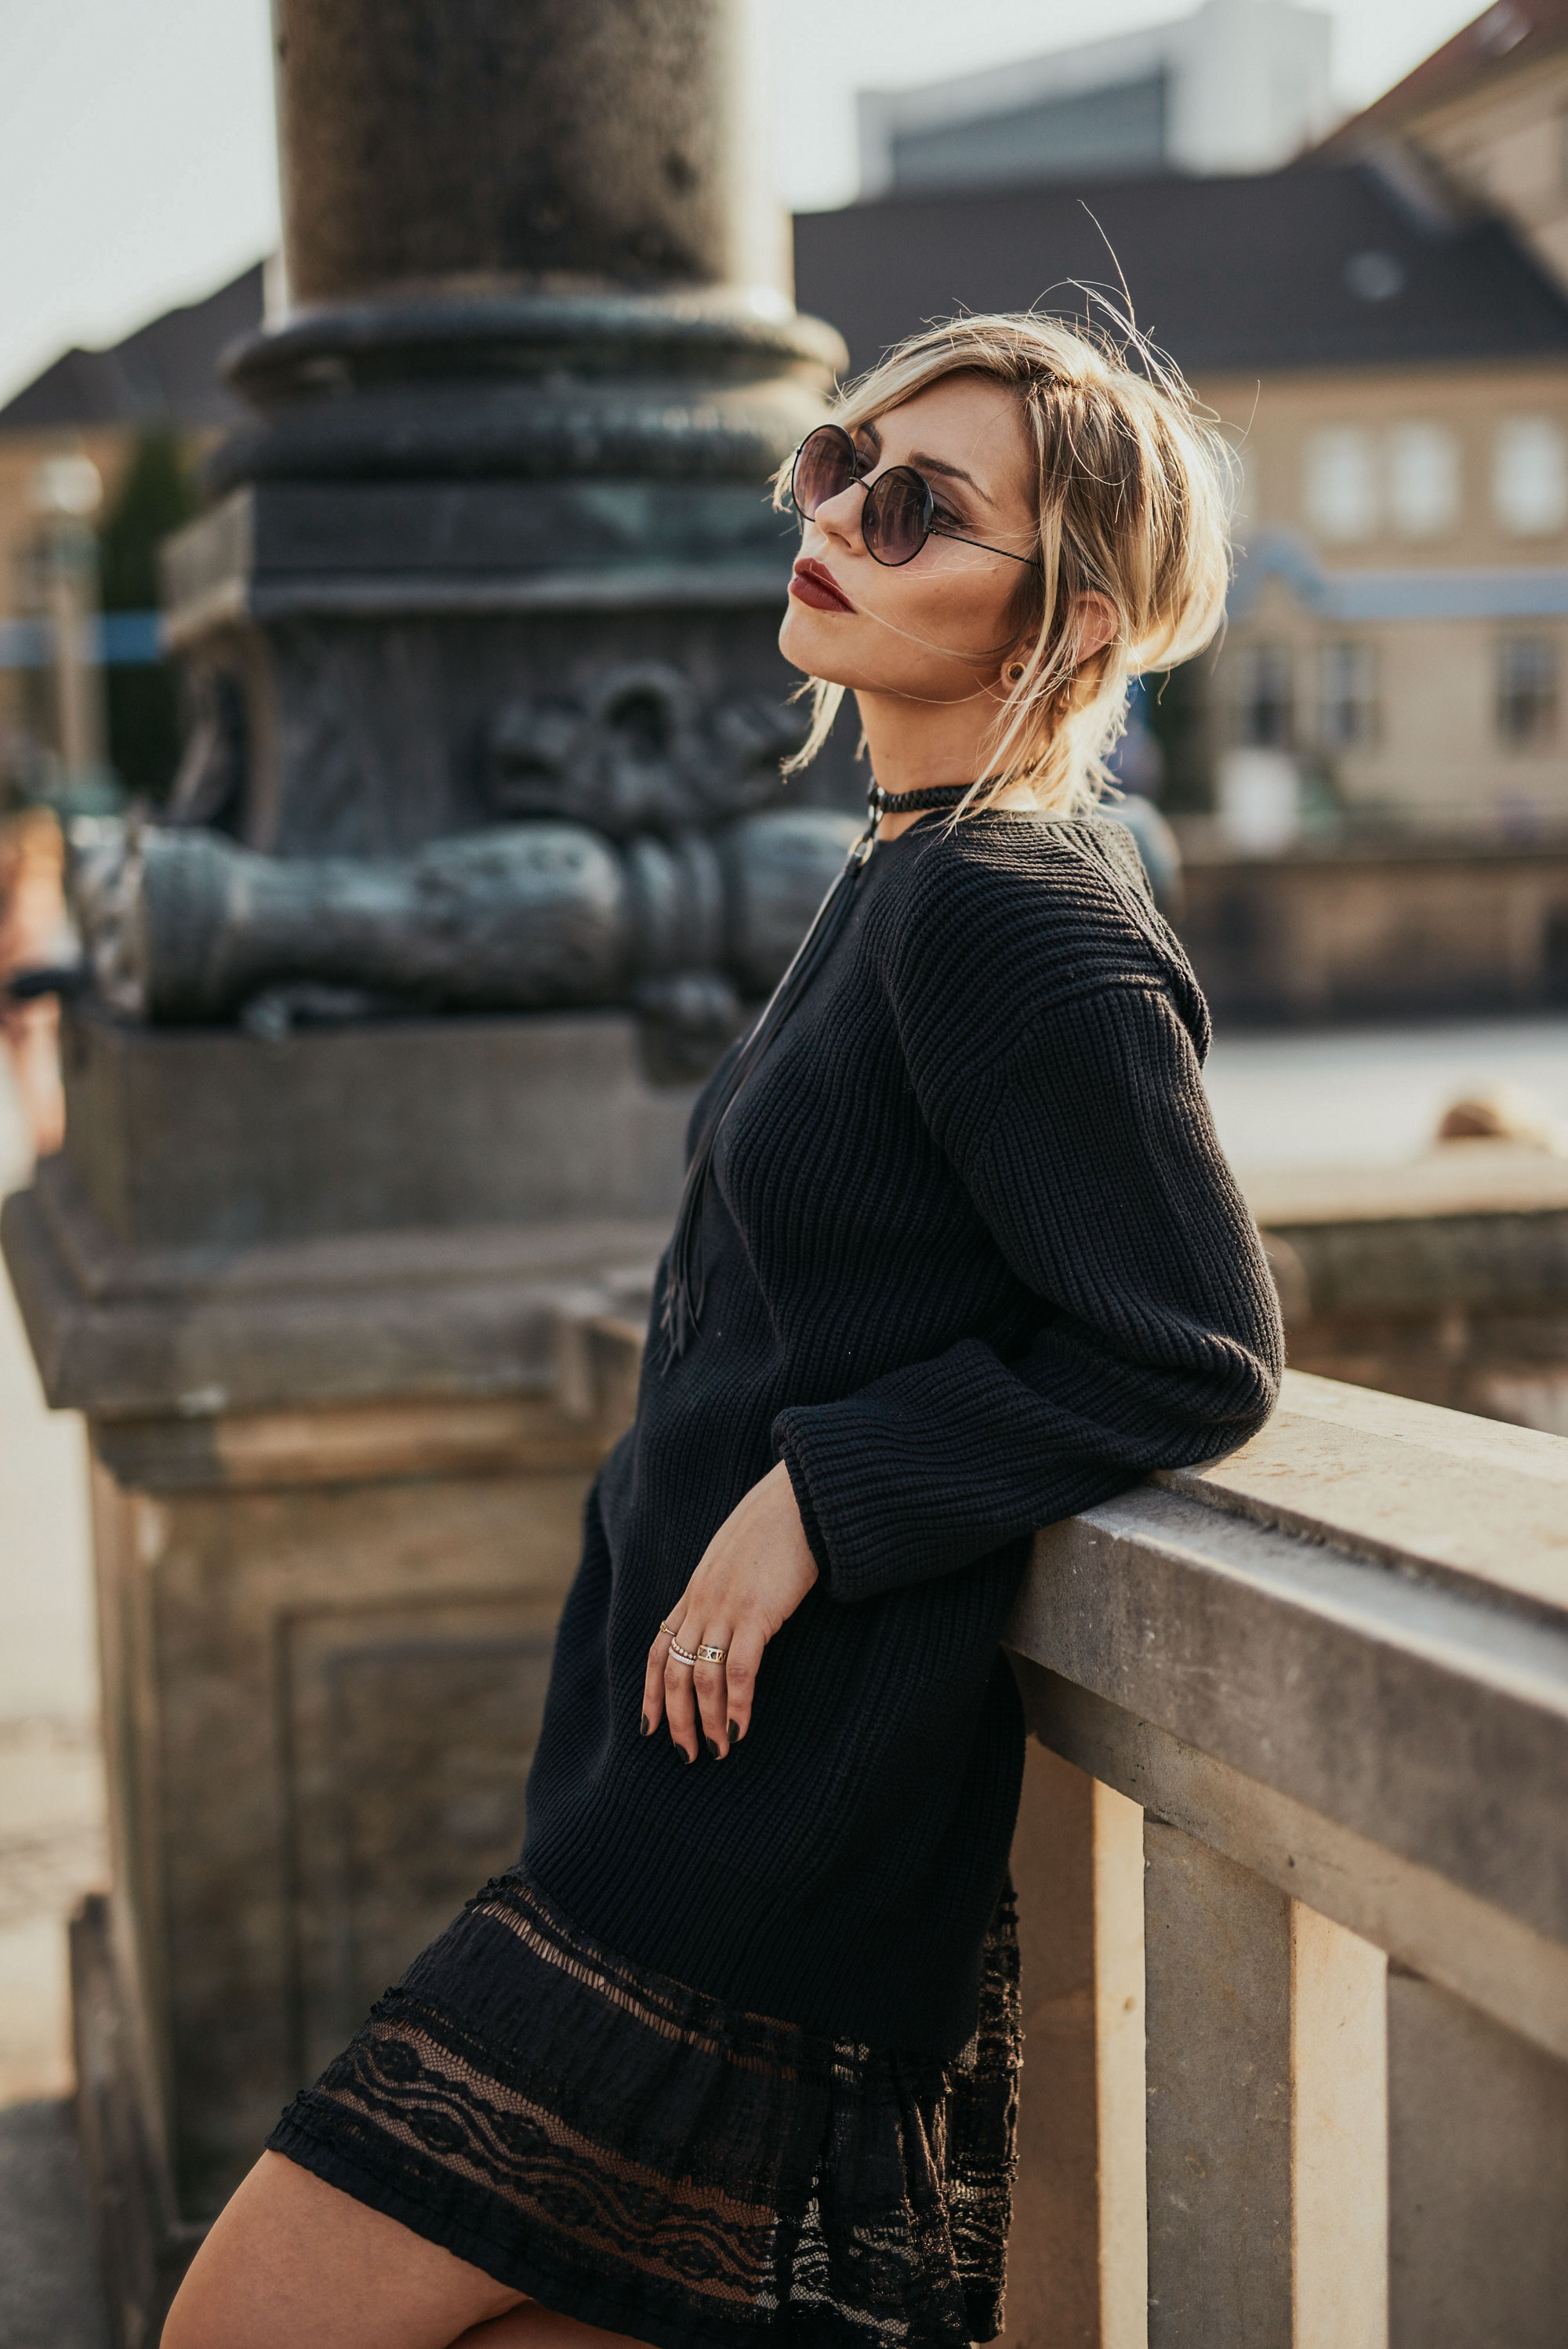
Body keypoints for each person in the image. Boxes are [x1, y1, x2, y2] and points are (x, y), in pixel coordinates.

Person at [163, 312, 1282, 2349]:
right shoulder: (902, 870)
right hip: (673, 1800)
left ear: (1078, 619)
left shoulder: (1017, 911)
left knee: (245, 2322)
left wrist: (816, 1500)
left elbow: (1194, 1341)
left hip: (759, 1853)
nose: (841, 516)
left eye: (922, 505)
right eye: (840, 465)